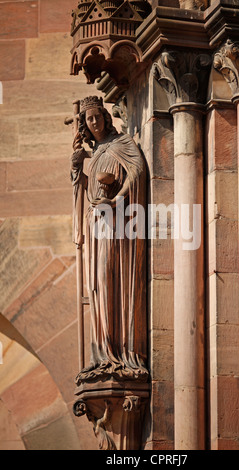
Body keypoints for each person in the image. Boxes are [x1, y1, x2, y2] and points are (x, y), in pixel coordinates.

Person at [70, 95, 148, 384]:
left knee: (108, 278)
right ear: (86, 126)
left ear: (105, 117)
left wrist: (118, 199)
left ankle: (117, 350)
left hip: (115, 222)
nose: (94, 122)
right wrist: (78, 166)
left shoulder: (121, 144)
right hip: (95, 223)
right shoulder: (98, 151)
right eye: (88, 120)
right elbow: (85, 189)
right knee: (95, 285)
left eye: (97, 117)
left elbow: (137, 171)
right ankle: (102, 352)